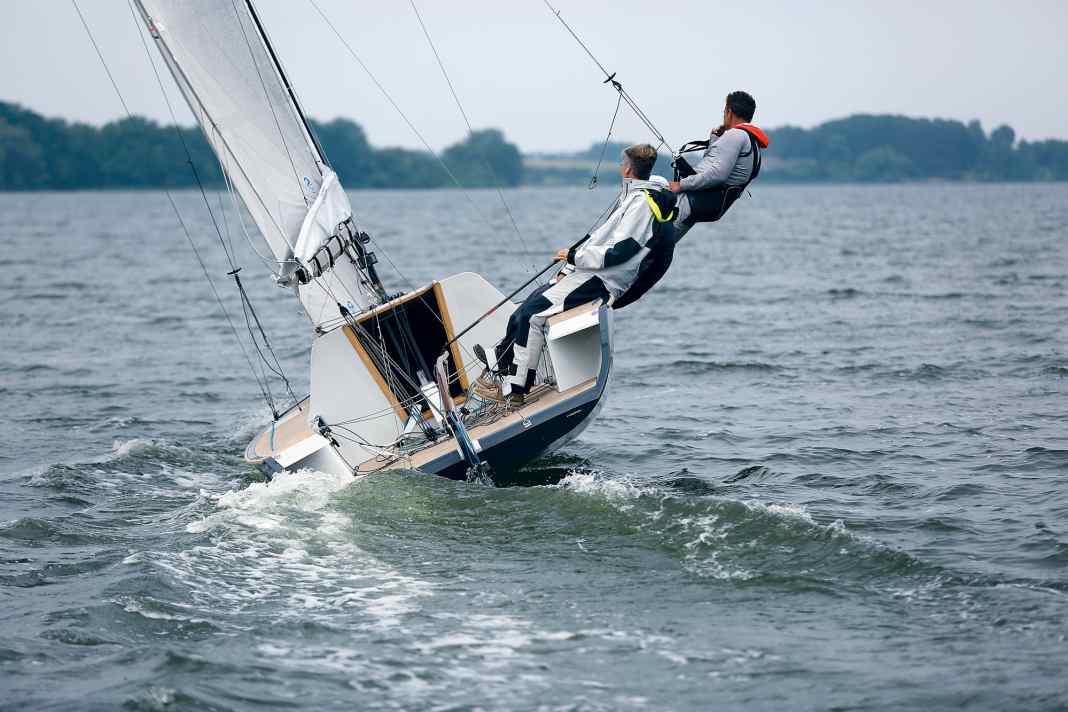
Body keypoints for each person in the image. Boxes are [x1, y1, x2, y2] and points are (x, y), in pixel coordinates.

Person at [474, 144, 675, 405]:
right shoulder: (634, 196)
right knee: (527, 306)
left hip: (601, 280)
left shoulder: (641, 204)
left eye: (621, 163)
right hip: (586, 272)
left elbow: (620, 252)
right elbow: (599, 239)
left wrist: (573, 257)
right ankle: (501, 359)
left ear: (627, 169)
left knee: (532, 316)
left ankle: (515, 390)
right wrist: (568, 267)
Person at [611, 91, 768, 309]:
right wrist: (715, 140)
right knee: (653, 246)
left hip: (694, 202)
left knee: (650, 247)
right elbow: (715, 165)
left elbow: (716, 174)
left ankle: (611, 290)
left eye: (724, 110)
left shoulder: (736, 136)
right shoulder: (750, 141)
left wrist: (681, 185)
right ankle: (617, 290)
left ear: (729, 111)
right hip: (707, 204)